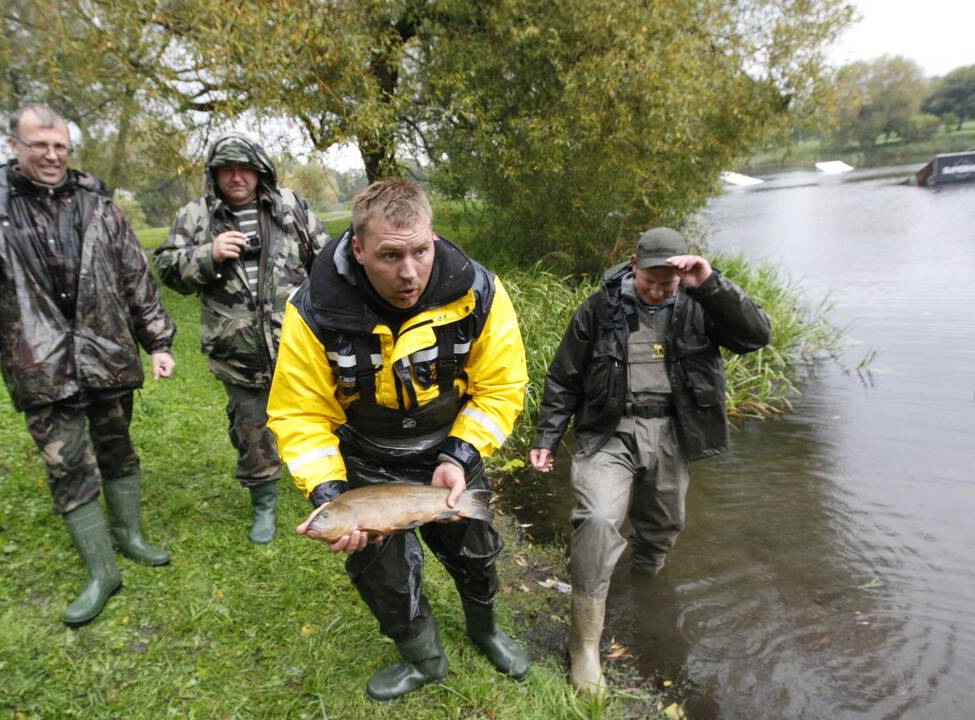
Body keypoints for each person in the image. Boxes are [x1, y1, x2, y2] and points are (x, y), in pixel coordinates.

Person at [267, 178, 530, 701]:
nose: (409, 272)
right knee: (384, 577)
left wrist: (461, 454)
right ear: (358, 249)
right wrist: (329, 496)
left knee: (477, 554)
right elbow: (301, 414)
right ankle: (425, 660)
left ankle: (486, 631)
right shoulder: (312, 308)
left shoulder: (478, 291)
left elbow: (501, 387)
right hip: (365, 456)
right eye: (389, 255)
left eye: (420, 251)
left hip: (450, 449)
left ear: (432, 237)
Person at [0, 103, 177, 626]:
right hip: (38, 363)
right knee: (67, 465)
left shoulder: (99, 205)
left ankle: (131, 536)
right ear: (15, 147)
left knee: (117, 447)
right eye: (39, 146)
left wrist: (158, 340)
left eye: (60, 147)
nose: (51, 156)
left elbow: (135, 277)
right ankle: (102, 571)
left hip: (106, 354)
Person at [528, 227, 771, 694]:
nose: (658, 292)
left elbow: (757, 336)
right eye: (650, 282)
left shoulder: (701, 303)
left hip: (672, 434)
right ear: (633, 266)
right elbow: (564, 377)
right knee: (598, 519)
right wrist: (548, 435)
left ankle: (646, 588)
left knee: (662, 526)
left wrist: (711, 282)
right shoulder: (599, 309)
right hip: (609, 431)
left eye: (668, 284)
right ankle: (585, 646)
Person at [154, 133, 329, 543]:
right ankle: (264, 505)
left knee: (320, 418)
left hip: (298, 345)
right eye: (226, 169)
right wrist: (208, 254)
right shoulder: (197, 216)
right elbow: (165, 267)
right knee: (253, 429)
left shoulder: (290, 206)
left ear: (259, 171)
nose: (236, 177)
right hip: (237, 350)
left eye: (244, 168)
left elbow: (325, 260)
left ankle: (328, 489)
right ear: (214, 175)